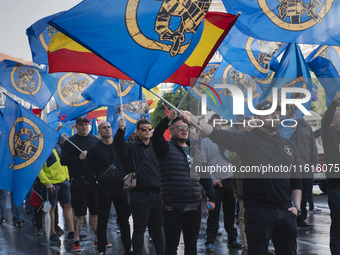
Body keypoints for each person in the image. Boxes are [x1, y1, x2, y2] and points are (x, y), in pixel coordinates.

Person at [188, 100, 302, 255]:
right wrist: (196, 121)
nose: (275, 116)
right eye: (270, 113)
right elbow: (219, 135)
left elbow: (296, 182)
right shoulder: (247, 140)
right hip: (259, 214)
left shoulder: (288, 145)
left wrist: (296, 207)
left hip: (286, 213)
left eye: (277, 113)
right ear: (258, 117)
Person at [152, 110, 216, 255]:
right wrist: (167, 119)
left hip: (194, 205)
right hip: (173, 206)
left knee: (191, 246)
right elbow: (156, 136)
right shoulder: (164, 148)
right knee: (171, 247)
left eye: (186, 128)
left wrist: (211, 197)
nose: (184, 130)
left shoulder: (195, 150)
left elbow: (204, 175)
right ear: (172, 132)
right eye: (179, 128)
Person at [114, 118, 165, 255]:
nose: (147, 131)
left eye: (149, 128)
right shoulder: (131, 147)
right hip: (139, 195)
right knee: (139, 229)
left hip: (158, 194)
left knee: (158, 229)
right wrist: (121, 130)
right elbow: (118, 147)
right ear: (137, 131)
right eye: (144, 129)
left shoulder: (157, 146)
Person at [85, 121, 132, 255]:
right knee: (103, 220)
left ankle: (128, 247)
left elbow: (127, 162)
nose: (107, 129)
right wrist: (97, 185)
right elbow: (87, 171)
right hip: (104, 190)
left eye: (109, 127)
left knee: (124, 219)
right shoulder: (94, 149)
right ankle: (101, 248)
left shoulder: (119, 146)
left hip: (120, 188)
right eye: (104, 128)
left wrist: (127, 179)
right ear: (99, 132)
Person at [202, 114, 241, 252]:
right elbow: (203, 163)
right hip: (215, 183)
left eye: (220, 123)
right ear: (210, 124)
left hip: (230, 179)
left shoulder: (227, 139)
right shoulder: (205, 141)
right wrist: (212, 178)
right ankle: (210, 241)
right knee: (213, 213)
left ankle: (232, 239)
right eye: (215, 123)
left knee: (230, 213)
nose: (218, 125)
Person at [60, 116, 99, 251]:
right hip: (78, 180)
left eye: (86, 124)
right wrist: (78, 157)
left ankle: (98, 238)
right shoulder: (70, 142)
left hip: (94, 181)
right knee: (80, 212)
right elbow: (63, 160)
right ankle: (76, 240)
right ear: (75, 127)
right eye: (81, 125)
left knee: (95, 210)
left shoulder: (95, 140)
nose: (84, 127)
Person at [38, 144, 74, 243]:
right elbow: (38, 167)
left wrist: (66, 177)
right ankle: (52, 233)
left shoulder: (57, 146)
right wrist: (46, 182)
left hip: (64, 181)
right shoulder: (41, 147)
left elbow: (63, 162)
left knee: (68, 205)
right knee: (52, 208)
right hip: (51, 183)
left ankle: (72, 232)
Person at [228, 116, 253, 255]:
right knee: (243, 216)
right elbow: (233, 159)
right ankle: (246, 245)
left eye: (251, 124)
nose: (250, 127)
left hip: (258, 185)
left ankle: (259, 243)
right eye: (247, 125)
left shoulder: (257, 139)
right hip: (243, 185)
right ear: (240, 128)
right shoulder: (236, 142)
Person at [289, 118, 318, 230]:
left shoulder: (307, 126)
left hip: (305, 165)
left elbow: (312, 145)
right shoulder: (286, 124)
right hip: (290, 166)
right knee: (289, 192)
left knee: (304, 192)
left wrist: (314, 162)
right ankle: (289, 217)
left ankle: (300, 218)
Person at [321, 90, 340, 255]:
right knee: (338, 224)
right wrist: (334, 103)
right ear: (333, 121)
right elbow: (324, 122)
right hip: (336, 187)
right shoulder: (329, 134)